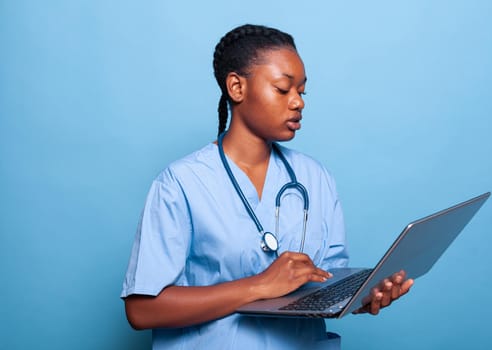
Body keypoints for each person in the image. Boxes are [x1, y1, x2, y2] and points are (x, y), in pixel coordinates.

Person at [121, 24, 413, 349]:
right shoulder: (180, 183)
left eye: (302, 92)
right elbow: (142, 309)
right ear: (236, 87)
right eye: (283, 89)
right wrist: (258, 286)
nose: (298, 102)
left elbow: (326, 283)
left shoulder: (315, 178)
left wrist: (362, 297)